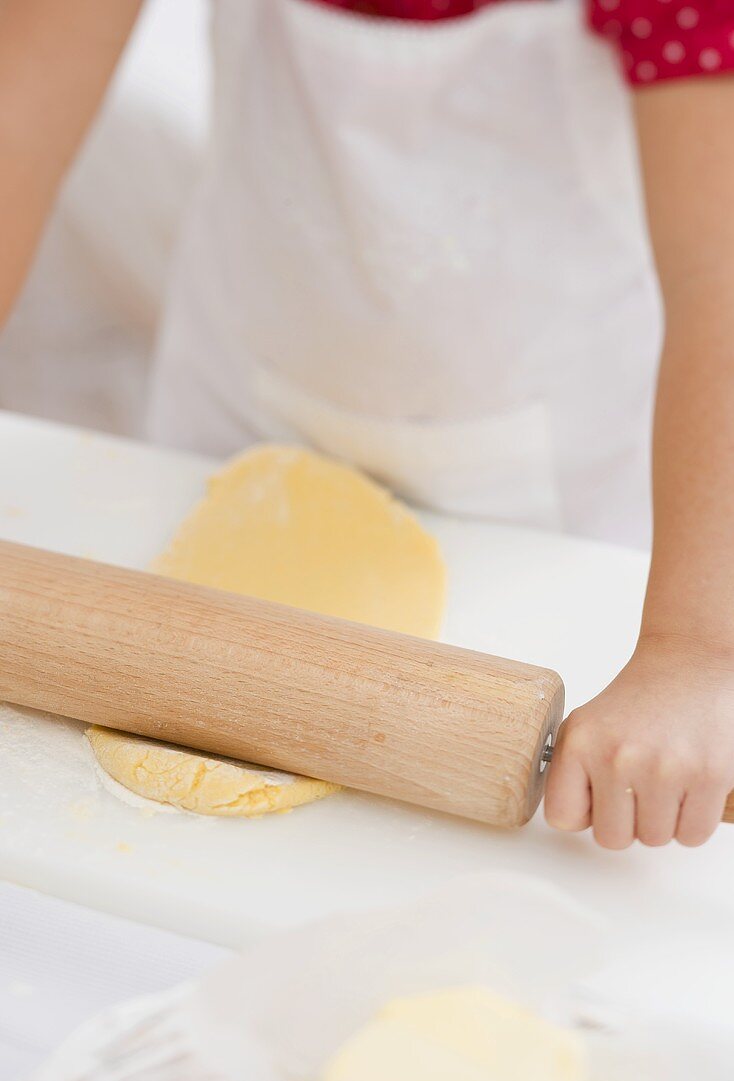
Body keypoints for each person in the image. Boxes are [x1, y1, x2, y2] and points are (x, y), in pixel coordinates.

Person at [2, 0, 734, 851]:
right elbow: (17, 113)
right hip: (242, 399)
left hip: (541, 482)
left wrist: (695, 651)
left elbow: (721, 283)